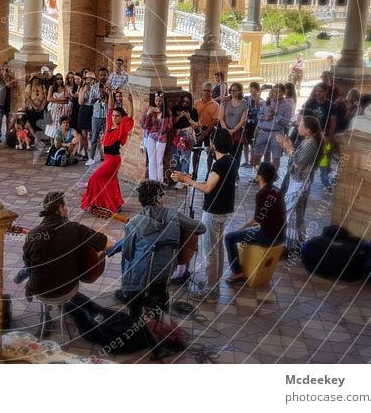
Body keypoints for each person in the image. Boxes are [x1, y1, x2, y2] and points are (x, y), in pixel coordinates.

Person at [116, 180, 205, 317]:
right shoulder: (174, 215)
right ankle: (160, 320)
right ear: (157, 198)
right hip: (165, 275)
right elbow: (201, 228)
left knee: (127, 256)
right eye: (163, 195)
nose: (165, 198)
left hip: (140, 280)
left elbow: (128, 254)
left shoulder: (133, 223)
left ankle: (128, 295)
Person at [172, 129, 236, 303]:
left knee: (210, 252)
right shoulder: (230, 160)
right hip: (222, 212)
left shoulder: (220, 164)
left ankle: (210, 291)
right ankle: (213, 286)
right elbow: (212, 185)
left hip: (214, 212)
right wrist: (189, 179)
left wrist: (187, 181)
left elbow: (208, 188)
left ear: (214, 144)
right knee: (218, 250)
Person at [22, 191, 112, 300]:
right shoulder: (77, 229)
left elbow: (28, 265)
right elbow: (110, 244)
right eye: (66, 205)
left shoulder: (32, 234)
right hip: (66, 289)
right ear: (61, 208)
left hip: (39, 290)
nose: (67, 208)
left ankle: (24, 284)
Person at [223, 162, 286, 284]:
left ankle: (237, 272)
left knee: (229, 237)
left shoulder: (262, 194)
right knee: (244, 234)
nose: (254, 172)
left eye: (256, 170)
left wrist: (244, 226)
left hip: (269, 236)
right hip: (280, 234)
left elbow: (258, 220)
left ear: (260, 177)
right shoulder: (276, 190)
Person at [81, 93, 135, 213]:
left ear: (121, 117)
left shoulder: (122, 127)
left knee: (94, 178)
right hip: (108, 159)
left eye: (117, 116)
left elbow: (130, 116)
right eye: (113, 116)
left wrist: (130, 102)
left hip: (113, 161)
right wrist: (110, 93)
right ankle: (114, 204)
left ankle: (95, 201)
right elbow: (110, 109)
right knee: (109, 182)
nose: (114, 118)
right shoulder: (110, 125)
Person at [276, 116, 322, 251]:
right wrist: (288, 147)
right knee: (296, 212)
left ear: (308, 130)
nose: (298, 127)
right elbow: (296, 159)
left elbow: (298, 165)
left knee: (288, 212)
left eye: (301, 125)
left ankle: (287, 246)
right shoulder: (308, 141)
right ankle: (299, 242)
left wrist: (288, 148)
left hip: (299, 183)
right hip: (298, 181)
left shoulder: (311, 144)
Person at [252, 83, 292, 176]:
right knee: (255, 157)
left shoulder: (287, 106)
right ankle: (258, 175)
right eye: (274, 91)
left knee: (275, 157)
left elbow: (286, 122)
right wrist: (264, 117)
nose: (275, 94)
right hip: (263, 131)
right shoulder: (268, 102)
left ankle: (271, 178)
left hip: (277, 133)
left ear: (283, 92)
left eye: (278, 92)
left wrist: (275, 114)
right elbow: (259, 115)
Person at [219, 82, 248, 183]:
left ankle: (234, 174)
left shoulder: (244, 105)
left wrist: (233, 130)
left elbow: (242, 121)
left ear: (239, 91)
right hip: (225, 130)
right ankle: (224, 174)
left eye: (235, 90)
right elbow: (221, 118)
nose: (232, 92)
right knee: (225, 153)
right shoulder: (225, 102)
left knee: (236, 154)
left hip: (236, 132)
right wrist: (227, 130)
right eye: (231, 90)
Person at [170, 93, 199, 188]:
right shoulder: (175, 109)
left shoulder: (193, 111)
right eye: (183, 101)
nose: (185, 103)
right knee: (175, 157)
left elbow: (196, 125)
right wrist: (179, 116)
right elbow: (172, 123)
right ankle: (178, 178)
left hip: (187, 135)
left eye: (187, 102)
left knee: (185, 158)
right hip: (177, 135)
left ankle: (184, 180)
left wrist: (188, 117)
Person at [140, 92, 171, 183]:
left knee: (159, 161)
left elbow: (168, 127)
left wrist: (161, 118)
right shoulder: (150, 110)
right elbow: (143, 125)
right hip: (151, 137)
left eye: (160, 101)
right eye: (156, 100)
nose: (158, 102)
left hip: (162, 138)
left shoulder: (167, 111)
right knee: (151, 160)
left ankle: (159, 181)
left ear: (163, 101)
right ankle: (153, 181)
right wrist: (148, 115)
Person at [193, 81, 220, 178]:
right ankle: (194, 173)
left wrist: (206, 132)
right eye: (205, 90)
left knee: (209, 152)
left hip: (209, 129)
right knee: (196, 151)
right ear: (202, 90)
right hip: (198, 129)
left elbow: (215, 120)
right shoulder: (196, 103)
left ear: (212, 92)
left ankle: (208, 173)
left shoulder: (215, 105)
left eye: (209, 91)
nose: (206, 92)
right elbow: (194, 117)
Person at [85, 71, 107, 166]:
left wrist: (106, 95)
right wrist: (98, 98)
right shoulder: (94, 87)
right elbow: (90, 101)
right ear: (98, 76)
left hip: (107, 115)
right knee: (94, 137)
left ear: (107, 75)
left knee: (107, 138)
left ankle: (107, 157)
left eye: (104, 75)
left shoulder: (111, 87)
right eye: (101, 75)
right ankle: (92, 158)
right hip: (96, 115)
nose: (102, 77)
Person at [242, 82, 263, 167]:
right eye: (250, 87)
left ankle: (252, 161)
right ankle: (246, 160)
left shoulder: (261, 101)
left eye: (253, 88)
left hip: (256, 124)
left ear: (257, 90)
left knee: (253, 143)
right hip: (247, 123)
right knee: (245, 142)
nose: (251, 89)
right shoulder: (246, 99)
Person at [44, 73, 71, 139]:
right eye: (58, 79)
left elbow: (66, 100)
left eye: (61, 79)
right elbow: (48, 99)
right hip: (53, 109)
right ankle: (52, 146)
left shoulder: (65, 87)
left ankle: (59, 145)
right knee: (52, 127)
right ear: (55, 80)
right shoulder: (52, 87)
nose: (59, 80)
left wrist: (54, 100)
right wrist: (61, 99)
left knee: (60, 126)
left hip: (62, 110)